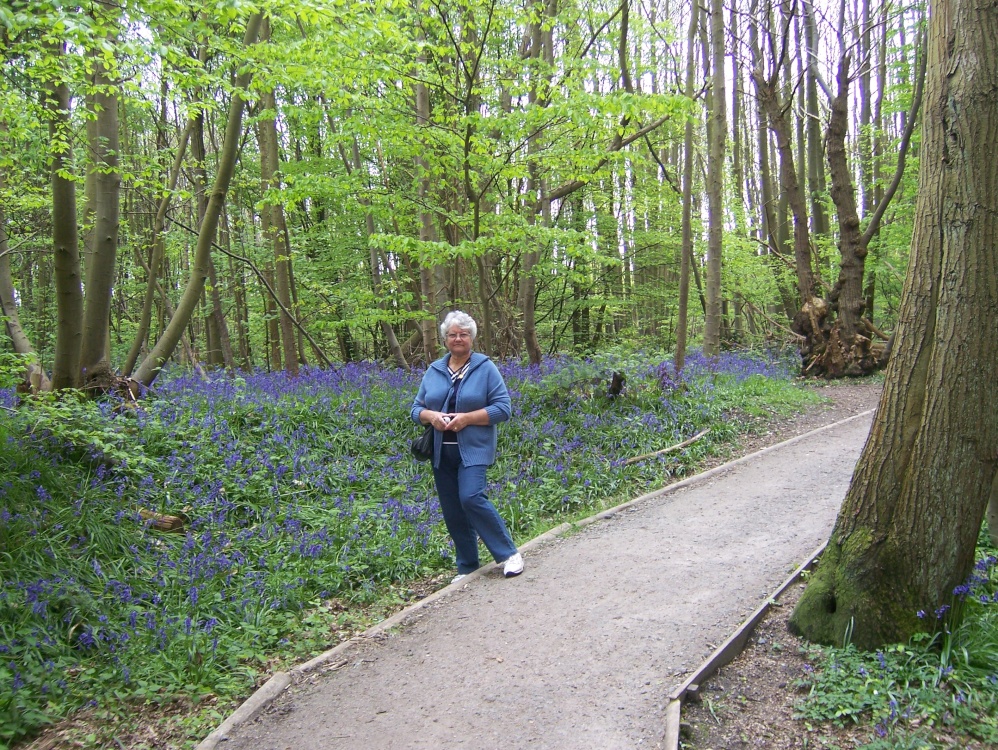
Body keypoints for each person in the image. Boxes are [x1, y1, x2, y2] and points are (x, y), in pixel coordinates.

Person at [411, 310, 523, 582]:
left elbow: (503, 409)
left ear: (471, 338)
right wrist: (432, 417)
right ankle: (468, 566)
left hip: (473, 449)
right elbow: (416, 409)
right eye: (452, 334)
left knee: (471, 497)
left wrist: (467, 419)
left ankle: (509, 554)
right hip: (441, 452)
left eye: (463, 334)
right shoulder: (434, 370)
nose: (458, 338)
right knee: (452, 510)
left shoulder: (485, 368)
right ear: (445, 339)